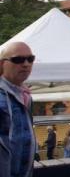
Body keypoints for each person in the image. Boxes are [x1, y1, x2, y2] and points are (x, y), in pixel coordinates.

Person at [0, 41, 36, 177]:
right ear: (3, 63)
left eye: (30, 59)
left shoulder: (26, 96)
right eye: (18, 59)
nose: (26, 64)